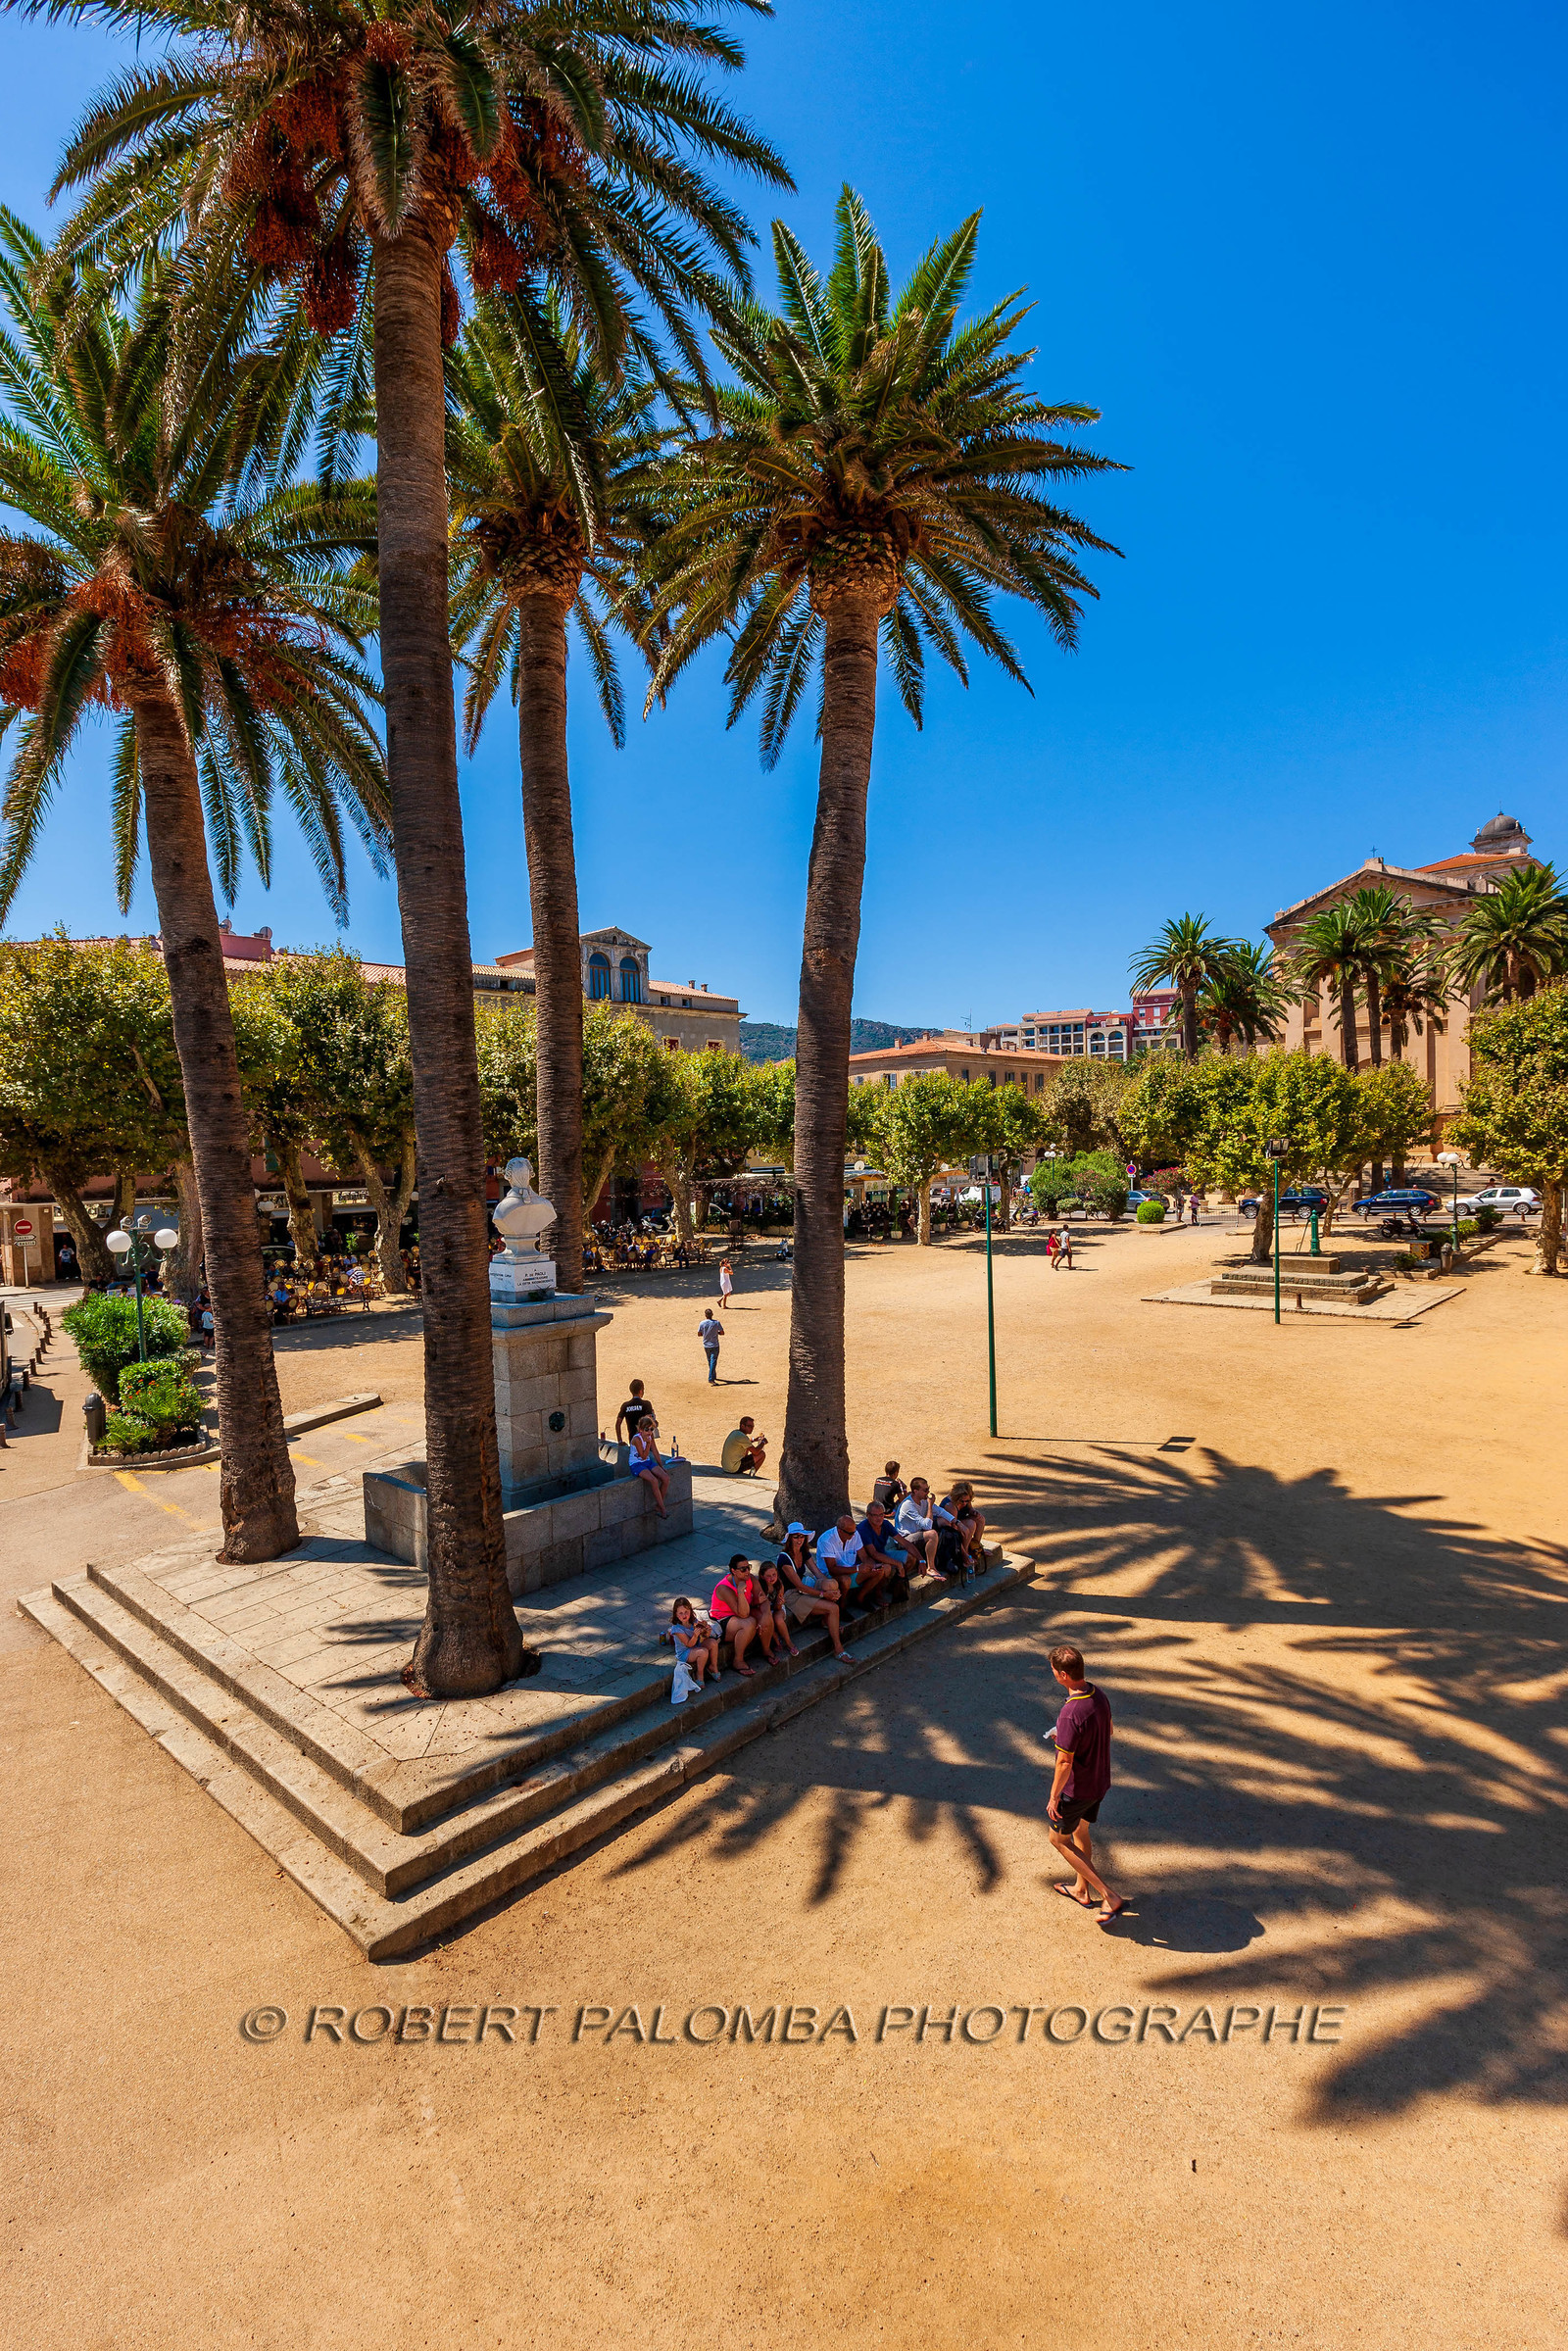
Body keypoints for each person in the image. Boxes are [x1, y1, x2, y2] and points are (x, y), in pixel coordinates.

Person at [1046, 1643, 1124, 1924]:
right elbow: (1109, 1729)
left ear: (1064, 1675)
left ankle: (1108, 1894)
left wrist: (1054, 1797)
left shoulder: (1070, 1713)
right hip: (1099, 1783)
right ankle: (1081, 1889)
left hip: (1076, 1791)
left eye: (1054, 1670)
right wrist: (1066, 1740)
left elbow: (1064, 1764)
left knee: (1059, 1839)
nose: (1053, 1674)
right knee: (1081, 1832)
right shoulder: (1098, 1694)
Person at [775, 1525, 852, 1659]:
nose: (799, 1539)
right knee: (833, 1608)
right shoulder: (784, 1558)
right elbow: (798, 1586)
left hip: (804, 1585)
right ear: (789, 1539)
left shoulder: (804, 1552)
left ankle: (825, 1621)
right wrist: (824, 1594)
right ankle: (838, 1649)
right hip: (792, 1594)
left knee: (832, 1584)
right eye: (796, 1536)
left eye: (802, 1536)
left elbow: (817, 1573)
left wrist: (834, 1589)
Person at [708, 1555, 774, 1676]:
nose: (748, 1572)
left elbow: (764, 1600)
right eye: (743, 1569)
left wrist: (765, 1616)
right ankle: (738, 1660)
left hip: (743, 1611)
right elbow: (743, 1614)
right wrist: (740, 1592)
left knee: (767, 1616)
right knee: (749, 1623)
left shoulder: (751, 1579)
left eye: (748, 1567)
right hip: (723, 1619)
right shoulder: (724, 1588)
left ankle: (766, 1649)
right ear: (733, 1571)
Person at [819, 1511, 890, 1614]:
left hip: (851, 1571)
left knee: (880, 1570)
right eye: (850, 1533)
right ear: (840, 1531)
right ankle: (841, 1607)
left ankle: (860, 1598)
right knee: (845, 1580)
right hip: (830, 1576)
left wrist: (872, 1565)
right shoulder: (827, 1540)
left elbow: (864, 1556)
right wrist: (857, 1569)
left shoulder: (854, 1534)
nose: (854, 1535)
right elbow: (832, 1570)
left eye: (854, 1531)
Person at [854, 1500, 912, 1598]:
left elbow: (904, 1542)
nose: (879, 1518)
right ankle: (877, 1592)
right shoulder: (863, 1529)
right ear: (868, 1515)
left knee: (911, 1558)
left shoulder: (885, 1524)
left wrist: (921, 1560)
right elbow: (873, 1554)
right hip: (869, 1559)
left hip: (882, 1553)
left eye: (881, 1514)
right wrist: (897, 1564)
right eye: (875, 1515)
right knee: (885, 1568)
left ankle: (894, 1584)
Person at [936, 1481, 988, 1573]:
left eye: (967, 1501)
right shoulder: (950, 1506)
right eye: (962, 1501)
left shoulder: (965, 1499)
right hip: (948, 1529)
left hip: (960, 1521)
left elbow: (970, 1509)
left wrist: (974, 1512)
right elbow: (953, 1530)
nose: (964, 1503)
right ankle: (964, 1553)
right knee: (971, 1524)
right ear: (956, 1498)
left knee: (980, 1519)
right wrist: (964, 1554)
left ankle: (975, 1547)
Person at [669, 1597, 718, 1693]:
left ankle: (714, 1667)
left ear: (690, 1611)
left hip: (696, 1645)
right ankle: (699, 1675)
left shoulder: (694, 1621)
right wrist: (695, 1636)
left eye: (686, 1612)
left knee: (713, 1642)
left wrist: (707, 1631)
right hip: (685, 1652)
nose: (684, 1615)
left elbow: (704, 1637)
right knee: (703, 1652)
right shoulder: (677, 1629)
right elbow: (688, 1644)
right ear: (676, 1614)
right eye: (681, 1613)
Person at [755, 1561, 800, 1658]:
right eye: (768, 1576)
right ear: (762, 1576)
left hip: (776, 1607)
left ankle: (788, 1642)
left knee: (778, 1619)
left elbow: (777, 1608)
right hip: (764, 1610)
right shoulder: (760, 1587)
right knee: (768, 1619)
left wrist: (779, 1603)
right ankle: (775, 1639)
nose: (772, 1578)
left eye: (774, 1574)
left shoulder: (779, 1585)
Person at [896, 1479, 941, 1578]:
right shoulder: (908, 1505)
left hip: (916, 1534)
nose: (928, 1492)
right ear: (916, 1491)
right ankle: (931, 1568)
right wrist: (930, 1505)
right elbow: (927, 1526)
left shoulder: (922, 1500)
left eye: (928, 1489)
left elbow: (940, 1511)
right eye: (925, 1490)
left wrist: (956, 1522)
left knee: (944, 1521)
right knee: (932, 1534)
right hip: (904, 1539)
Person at [628, 1415, 669, 1518]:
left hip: (647, 1461)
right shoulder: (637, 1439)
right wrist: (647, 1444)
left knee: (666, 1478)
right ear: (641, 1429)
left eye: (651, 1429)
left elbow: (654, 1451)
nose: (649, 1432)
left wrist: (661, 1466)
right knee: (654, 1481)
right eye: (647, 1429)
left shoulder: (649, 1437)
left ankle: (659, 1505)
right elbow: (643, 1456)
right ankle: (663, 1509)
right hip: (636, 1463)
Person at [615, 1380, 657, 1445]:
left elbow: (618, 1423)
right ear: (641, 1391)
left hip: (633, 1441)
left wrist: (620, 1441)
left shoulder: (625, 1406)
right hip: (645, 1441)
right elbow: (649, 1423)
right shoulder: (646, 1404)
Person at [697, 1309, 723, 1383]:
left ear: (705, 1315)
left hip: (706, 1345)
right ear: (712, 1314)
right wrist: (716, 1333)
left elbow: (699, 1334)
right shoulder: (716, 1323)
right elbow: (722, 1332)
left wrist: (705, 1334)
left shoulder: (702, 1323)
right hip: (715, 1344)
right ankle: (711, 1378)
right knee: (713, 1361)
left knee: (710, 1361)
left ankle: (713, 1375)